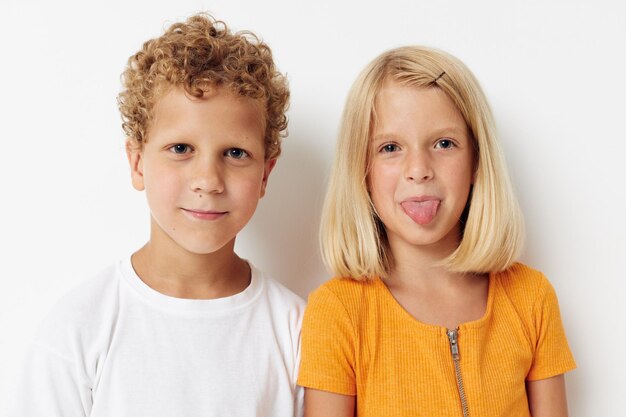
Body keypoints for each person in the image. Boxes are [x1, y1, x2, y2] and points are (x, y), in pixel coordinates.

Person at [11, 14, 304, 417]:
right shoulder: (78, 331)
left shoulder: (296, 331)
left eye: (235, 153)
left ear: (265, 174)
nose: (208, 180)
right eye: (181, 149)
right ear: (137, 163)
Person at [297, 46, 576, 417]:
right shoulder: (338, 312)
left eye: (444, 144)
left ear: (478, 161)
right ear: (361, 170)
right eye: (390, 147)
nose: (418, 169)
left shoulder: (531, 298)